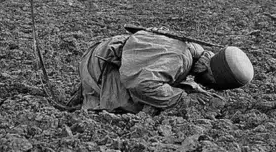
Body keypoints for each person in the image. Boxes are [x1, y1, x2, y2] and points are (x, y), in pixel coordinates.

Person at [67, 28, 254, 114]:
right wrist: (181, 98)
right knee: (145, 106)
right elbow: (143, 85)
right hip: (99, 65)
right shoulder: (181, 59)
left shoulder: (192, 50)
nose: (209, 87)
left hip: (102, 54)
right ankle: (91, 94)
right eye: (212, 84)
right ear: (211, 74)